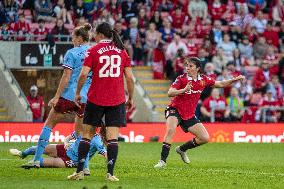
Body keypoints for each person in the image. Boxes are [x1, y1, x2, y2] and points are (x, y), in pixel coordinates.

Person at [67, 22, 134, 181]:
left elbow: (83, 74)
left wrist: (77, 93)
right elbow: (130, 78)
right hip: (116, 99)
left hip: (96, 98)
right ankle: (110, 174)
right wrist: (131, 98)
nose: (94, 37)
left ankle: (80, 172)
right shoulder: (122, 51)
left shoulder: (93, 50)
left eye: (95, 34)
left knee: (87, 135)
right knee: (112, 138)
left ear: (100, 35)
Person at [21, 23, 93, 169]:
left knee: (49, 125)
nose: (72, 39)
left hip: (69, 96)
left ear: (79, 38)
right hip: (86, 98)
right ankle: (85, 167)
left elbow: (66, 77)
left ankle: (36, 159)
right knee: (81, 132)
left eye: (73, 37)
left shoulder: (72, 53)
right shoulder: (94, 52)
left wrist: (56, 96)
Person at [154, 57, 245, 168]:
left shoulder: (203, 79)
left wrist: (234, 80)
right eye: (187, 65)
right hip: (175, 109)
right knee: (170, 130)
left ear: (197, 68)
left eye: (190, 66)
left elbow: (220, 84)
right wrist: (183, 90)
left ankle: (181, 149)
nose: (187, 68)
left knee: (204, 138)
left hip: (189, 114)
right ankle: (162, 161)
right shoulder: (181, 79)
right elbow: (170, 92)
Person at [10, 130, 106, 174]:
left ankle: (27, 164)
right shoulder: (82, 130)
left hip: (73, 160)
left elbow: (104, 152)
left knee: (45, 162)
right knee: (37, 148)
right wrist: (66, 143)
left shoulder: (97, 140)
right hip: (65, 149)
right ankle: (22, 154)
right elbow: (68, 138)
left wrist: (109, 158)